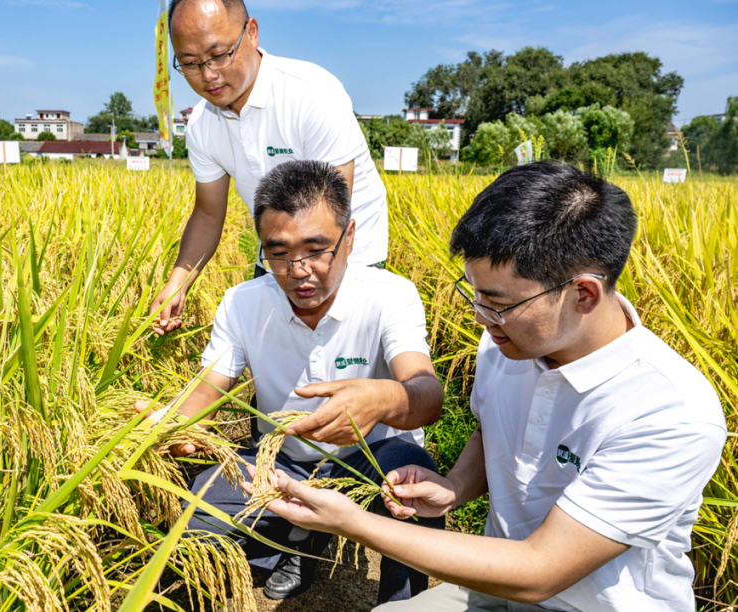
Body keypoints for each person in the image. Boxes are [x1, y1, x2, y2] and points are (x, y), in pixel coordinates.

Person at [246, 161, 727, 611]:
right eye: (474, 293)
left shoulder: (670, 412)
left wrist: (351, 522)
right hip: (490, 589)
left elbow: (541, 571)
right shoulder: (507, 342)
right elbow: (494, 427)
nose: (479, 317)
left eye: (497, 302)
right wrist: (453, 487)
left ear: (583, 294)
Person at [140, 160, 444, 603]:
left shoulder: (390, 295)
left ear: (350, 238)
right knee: (193, 509)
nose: (298, 270)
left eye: (317, 249)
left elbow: (427, 395)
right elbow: (205, 394)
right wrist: (170, 427)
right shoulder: (243, 303)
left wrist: (382, 397)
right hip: (280, 462)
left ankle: (400, 603)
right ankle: (300, 537)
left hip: (372, 461)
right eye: (278, 253)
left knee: (414, 483)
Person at [150, 0, 389, 335]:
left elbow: (332, 210)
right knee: (271, 366)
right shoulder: (202, 124)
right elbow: (207, 214)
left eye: (219, 55)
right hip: (277, 251)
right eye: (190, 63)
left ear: (252, 33)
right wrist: (179, 282)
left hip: (346, 248)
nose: (208, 75)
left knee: (341, 367)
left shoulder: (311, 94)